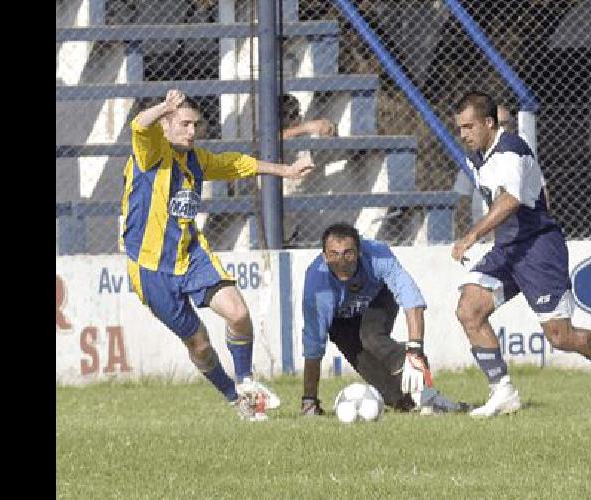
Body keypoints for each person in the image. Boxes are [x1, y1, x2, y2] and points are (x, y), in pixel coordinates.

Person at [449, 91, 591, 417]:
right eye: (460, 128)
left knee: (560, 336)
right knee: (469, 310)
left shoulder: (511, 150)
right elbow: (539, 190)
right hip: (508, 248)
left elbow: (511, 199)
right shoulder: (478, 155)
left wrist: (473, 234)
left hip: (537, 249)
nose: (464, 134)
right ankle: (503, 392)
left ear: (488, 123)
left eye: (469, 127)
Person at [122, 89, 315, 421]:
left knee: (238, 315)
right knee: (198, 344)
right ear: (165, 127)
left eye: (195, 125)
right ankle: (234, 399)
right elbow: (139, 126)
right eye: (184, 124)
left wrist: (286, 171)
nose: (192, 132)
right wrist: (163, 107)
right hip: (151, 270)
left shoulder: (196, 159)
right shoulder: (150, 153)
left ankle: (246, 382)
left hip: (192, 255)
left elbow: (237, 164)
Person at [299, 224, 470, 416]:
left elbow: (411, 298)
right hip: (341, 319)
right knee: (385, 389)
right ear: (324, 256)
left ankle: (428, 393)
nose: (341, 262)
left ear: (360, 252)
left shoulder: (379, 255)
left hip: (377, 298)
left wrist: (415, 351)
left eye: (348, 254)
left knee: (371, 337)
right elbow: (314, 344)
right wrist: (309, 400)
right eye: (334, 254)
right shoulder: (317, 283)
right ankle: (408, 402)